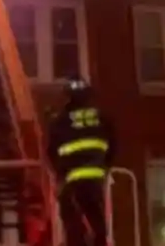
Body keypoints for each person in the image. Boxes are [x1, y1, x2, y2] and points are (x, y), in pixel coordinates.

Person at [47, 77, 115, 246]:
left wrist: (59, 172)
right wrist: (104, 166)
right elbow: (113, 145)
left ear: (68, 96)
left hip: (72, 177)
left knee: (71, 216)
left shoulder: (61, 120)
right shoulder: (101, 117)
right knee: (96, 215)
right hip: (96, 175)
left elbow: (52, 150)